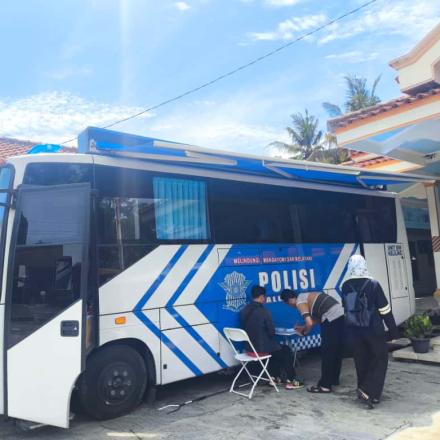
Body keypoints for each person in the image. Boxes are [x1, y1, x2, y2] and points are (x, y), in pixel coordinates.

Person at [341, 255, 399, 409]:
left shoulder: (345, 285)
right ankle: (370, 392)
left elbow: (346, 308)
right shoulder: (373, 284)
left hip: (354, 331)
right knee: (380, 358)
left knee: (361, 360)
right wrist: (393, 332)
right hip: (373, 330)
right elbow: (384, 309)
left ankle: (363, 391)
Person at [280, 288, 345, 394]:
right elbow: (317, 320)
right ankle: (334, 379)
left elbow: (309, 323)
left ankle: (325, 386)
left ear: (289, 300)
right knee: (336, 350)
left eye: (287, 304)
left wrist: (304, 332)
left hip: (330, 318)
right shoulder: (307, 296)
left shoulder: (300, 301)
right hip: (340, 315)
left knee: (327, 352)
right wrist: (303, 327)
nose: (290, 306)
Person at [240, 285, 304, 390]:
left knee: (276, 349)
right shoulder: (264, 312)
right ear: (262, 297)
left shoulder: (244, 311)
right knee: (285, 350)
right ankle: (291, 380)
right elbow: (271, 333)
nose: (265, 299)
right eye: (265, 297)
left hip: (249, 349)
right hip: (260, 350)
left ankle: (274, 378)